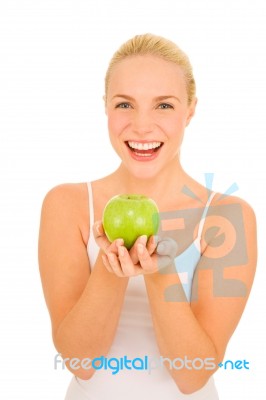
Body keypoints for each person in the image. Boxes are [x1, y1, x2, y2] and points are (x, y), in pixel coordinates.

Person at [38, 33, 257, 399]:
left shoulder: (227, 217)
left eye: (164, 106)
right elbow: (80, 362)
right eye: (124, 105)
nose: (141, 126)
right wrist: (111, 270)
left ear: (190, 110)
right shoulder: (67, 205)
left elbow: (192, 377)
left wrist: (160, 272)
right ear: (105, 107)